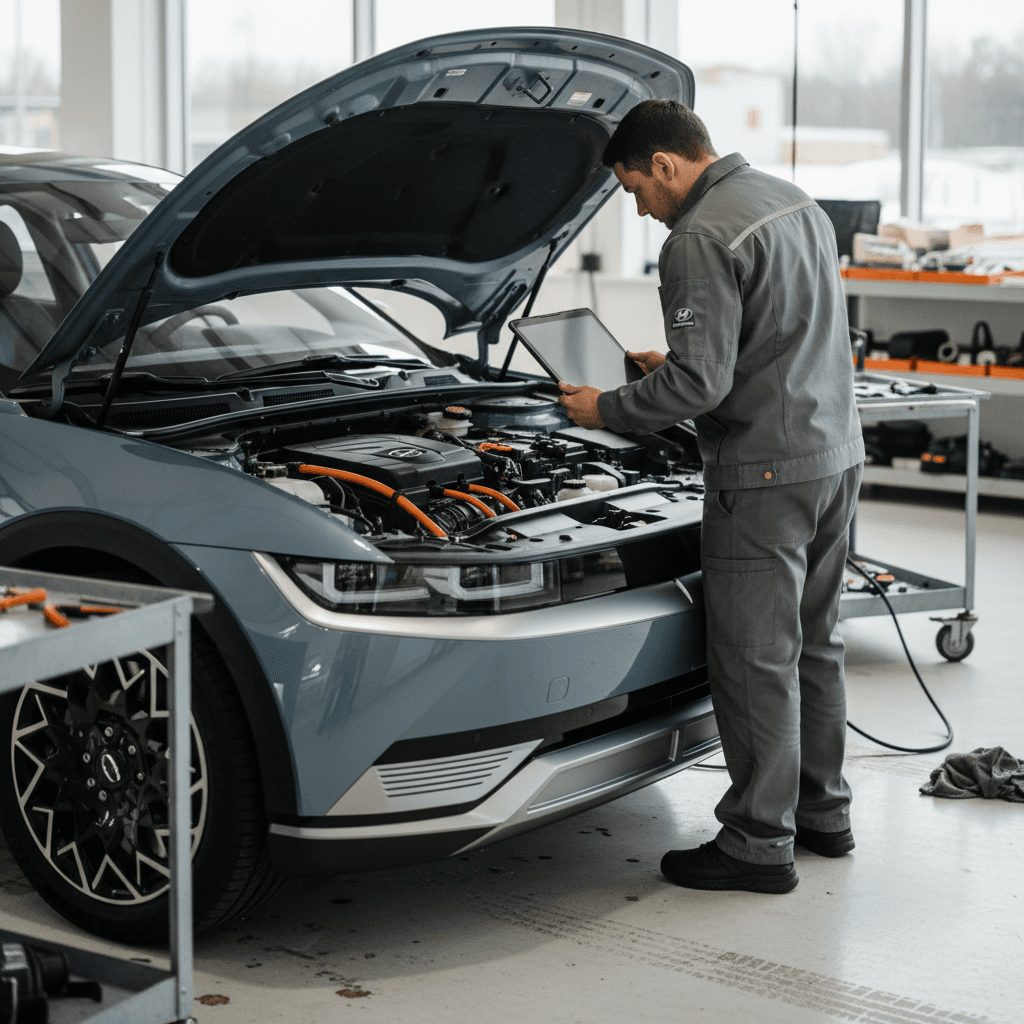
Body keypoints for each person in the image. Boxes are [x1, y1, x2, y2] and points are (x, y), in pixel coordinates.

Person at [557, 99, 865, 894]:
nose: (642, 209)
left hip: (764, 473)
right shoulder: (789, 199)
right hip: (834, 456)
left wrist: (607, 408)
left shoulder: (696, 235)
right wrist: (682, 359)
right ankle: (821, 814)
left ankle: (758, 844)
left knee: (754, 660)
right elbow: (776, 331)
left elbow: (700, 385)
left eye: (634, 190)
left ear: (663, 164)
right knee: (815, 643)